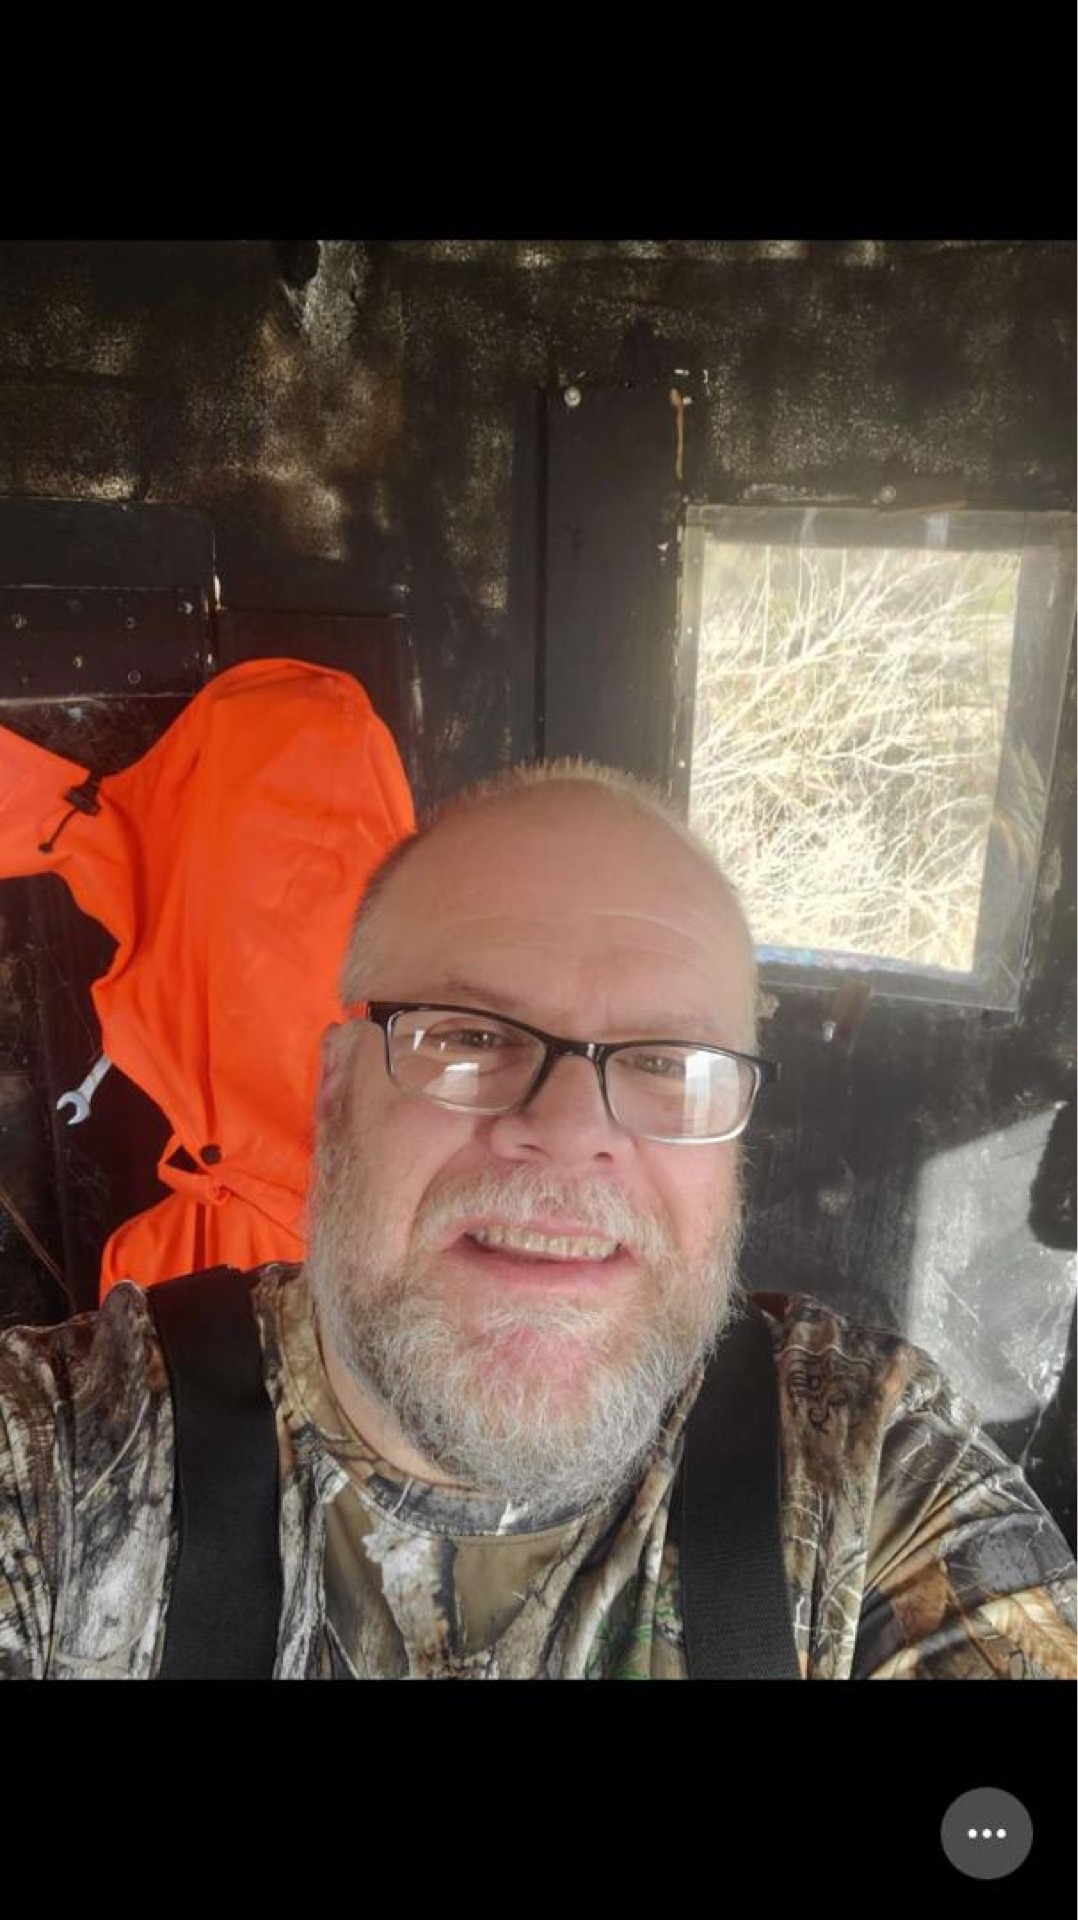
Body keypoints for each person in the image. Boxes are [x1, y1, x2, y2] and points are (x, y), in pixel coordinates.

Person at [1, 760, 1075, 1679]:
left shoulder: (872, 1470)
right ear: (334, 1096)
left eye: (668, 1063)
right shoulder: (59, 1455)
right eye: (470, 1037)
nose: (568, 1132)